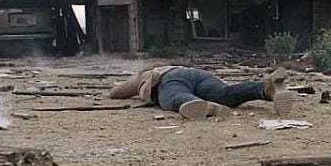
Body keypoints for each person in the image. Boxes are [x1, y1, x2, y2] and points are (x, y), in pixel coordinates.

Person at [109, 65, 293, 120]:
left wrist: (119, 87)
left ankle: (206, 107)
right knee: (225, 92)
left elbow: (118, 92)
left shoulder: (149, 72)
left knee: (173, 96)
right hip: (200, 75)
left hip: (172, 78)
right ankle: (266, 89)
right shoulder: (179, 65)